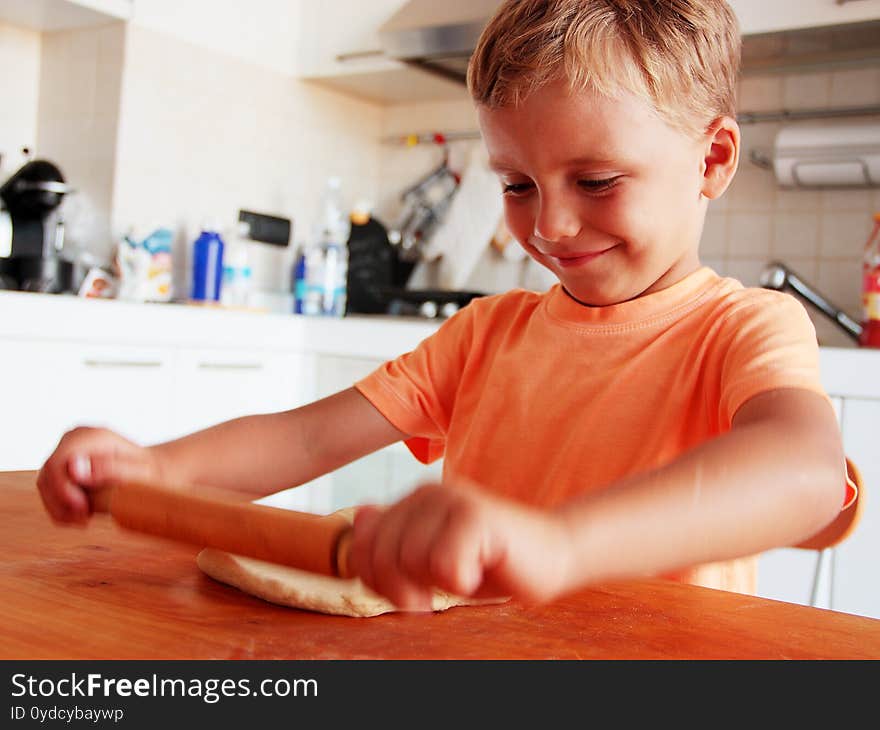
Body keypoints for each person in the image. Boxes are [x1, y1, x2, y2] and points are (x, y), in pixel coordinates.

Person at [37, 0, 853, 612]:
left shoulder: (743, 328)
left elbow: (805, 474)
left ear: (712, 158)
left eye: (597, 181)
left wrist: (561, 545)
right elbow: (309, 436)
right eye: (517, 185)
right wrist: (156, 469)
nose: (550, 225)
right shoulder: (484, 335)